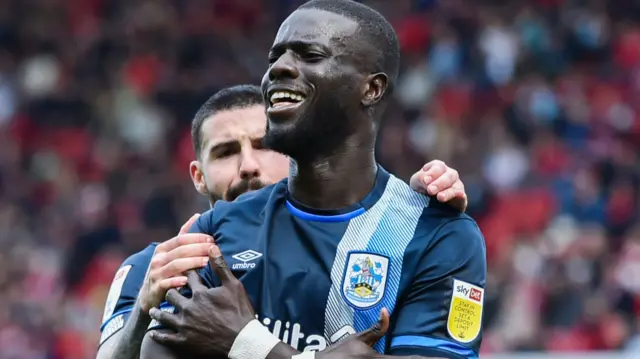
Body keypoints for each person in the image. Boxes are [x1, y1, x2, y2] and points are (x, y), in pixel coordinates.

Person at [143, 1, 486, 359]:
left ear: (371, 89)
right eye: (275, 57)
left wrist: (247, 344)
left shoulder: (437, 235)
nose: (279, 68)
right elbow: (157, 351)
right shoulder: (219, 227)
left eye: (309, 55)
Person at [96, 84, 469, 359]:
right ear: (198, 175)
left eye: (263, 146)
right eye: (226, 152)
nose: (248, 167)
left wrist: (415, 212)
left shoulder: (359, 249)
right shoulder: (150, 269)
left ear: (295, 155)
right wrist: (144, 312)